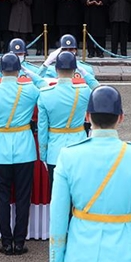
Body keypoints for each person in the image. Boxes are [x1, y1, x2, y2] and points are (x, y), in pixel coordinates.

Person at [49, 85, 131, 262]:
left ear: (87, 116)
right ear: (121, 118)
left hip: (80, 256)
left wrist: (57, 257)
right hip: (123, 257)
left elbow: (58, 212)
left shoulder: (69, 155)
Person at [0, 53, 40, 256]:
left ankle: (6, 242)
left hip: (0, 151)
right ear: (19, 69)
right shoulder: (30, 90)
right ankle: (19, 241)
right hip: (25, 148)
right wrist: (29, 71)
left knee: (3, 198)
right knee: (24, 197)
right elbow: (43, 85)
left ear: (0, 70)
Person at [37, 51, 99, 188]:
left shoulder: (45, 94)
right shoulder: (83, 91)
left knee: (58, 197)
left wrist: (43, 155)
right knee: (78, 197)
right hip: (79, 147)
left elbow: (42, 129)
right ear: (74, 69)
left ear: (56, 69)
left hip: (54, 151)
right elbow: (100, 91)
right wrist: (86, 74)